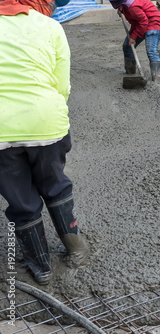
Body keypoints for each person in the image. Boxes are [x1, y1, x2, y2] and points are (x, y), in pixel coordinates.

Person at [0, 0, 89, 285]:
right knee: (55, 183)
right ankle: (76, 248)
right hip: (46, 121)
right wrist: (44, 114)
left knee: (21, 199)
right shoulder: (50, 26)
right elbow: (62, 86)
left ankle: (40, 267)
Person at [109, 0, 160, 82]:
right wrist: (121, 10)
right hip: (139, 24)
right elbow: (139, 20)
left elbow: (143, 21)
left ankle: (157, 78)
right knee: (127, 46)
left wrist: (134, 37)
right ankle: (131, 73)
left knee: (151, 51)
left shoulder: (133, 6)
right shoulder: (125, 4)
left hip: (153, 22)